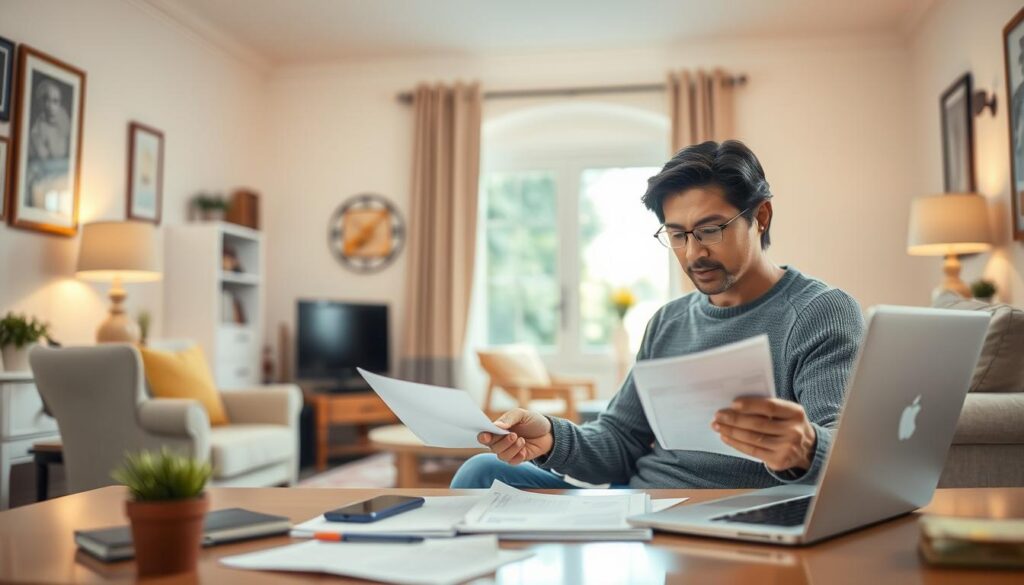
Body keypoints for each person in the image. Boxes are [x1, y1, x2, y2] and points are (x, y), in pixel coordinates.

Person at [451, 140, 864, 489]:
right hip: (640, 505)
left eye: (710, 229)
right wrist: (552, 437)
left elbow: (845, 451)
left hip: (741, 512)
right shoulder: (669, 321)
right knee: (481, 471)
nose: (693, 252)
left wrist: (806, 447)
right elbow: (620, 440)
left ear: (761, 217)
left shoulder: (819, 312)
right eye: (677, 234)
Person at [25, 78, 71, 210]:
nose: (51, 105)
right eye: (47, 100)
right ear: (41, 103)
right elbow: (43, 160)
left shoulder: (64, 119)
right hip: (44, 173)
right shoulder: (36, 130)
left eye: (55, 101)